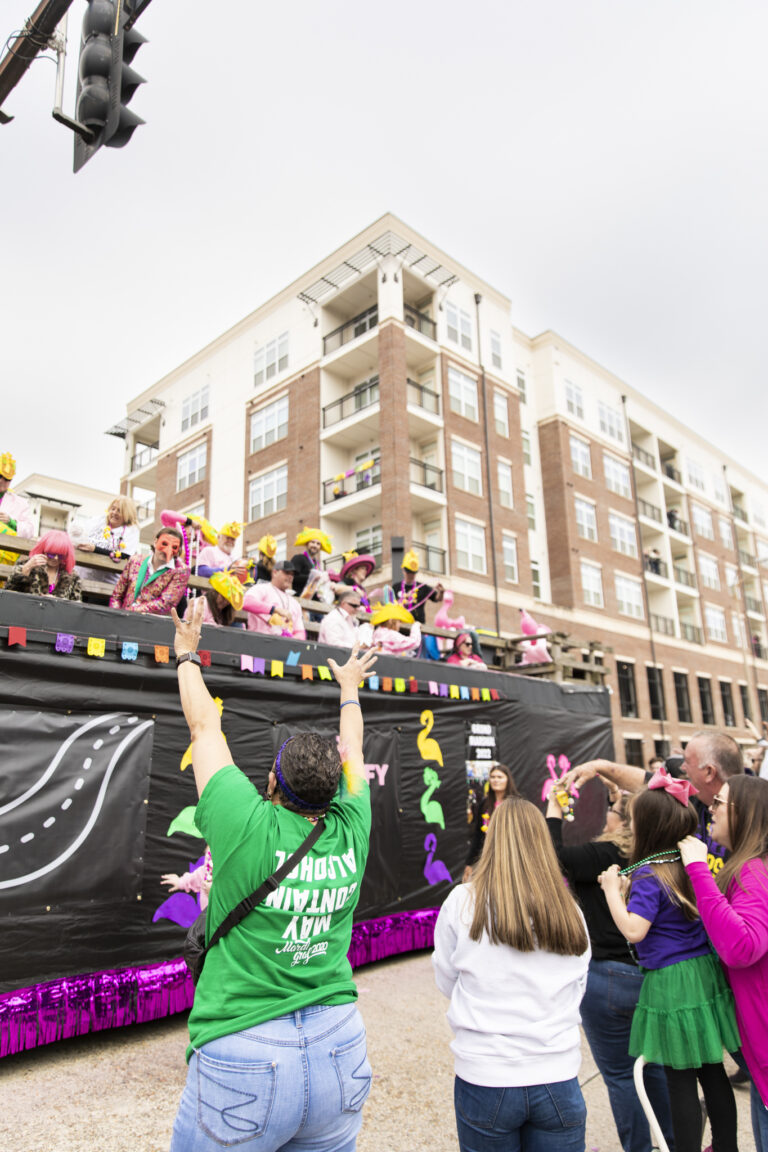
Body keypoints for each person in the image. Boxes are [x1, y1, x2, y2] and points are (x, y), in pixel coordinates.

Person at [168, 599, 378, 1152]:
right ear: (337, 790)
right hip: (340, 1042)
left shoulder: (243, 821)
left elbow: (203, 724)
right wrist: (350, 688)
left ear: (271, 781)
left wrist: (187, 654)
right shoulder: (353, 820)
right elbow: (353, 745)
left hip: (244, 1047)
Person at [433, 797, 590, 1152]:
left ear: (492, 840)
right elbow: (578, 985)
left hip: (487, 1075)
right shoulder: (571, 911)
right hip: (557, 1076)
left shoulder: (462, 902)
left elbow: (445, 978)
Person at [598, 772, 740, 1152]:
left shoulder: (647, 873)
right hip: (703, 974)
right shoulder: (687, 862)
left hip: (673, 983)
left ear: (647, 826)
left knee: (680, 1079)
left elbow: (634, 931)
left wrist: (613, 892)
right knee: (713, 1073)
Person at [546, 786, 674, 1152]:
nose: (607, 813)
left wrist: (554, 810)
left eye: (613, 807)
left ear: (624, 820)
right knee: (656, 1067)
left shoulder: (606, 853)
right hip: (647, 974)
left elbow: (552, 859)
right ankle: (673, 1143)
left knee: (621, 1075)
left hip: (609, 976)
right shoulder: (654, 854)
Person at [679, 775, 768, 1152]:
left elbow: (742, 946)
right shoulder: (749, 866)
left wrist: (698, 870)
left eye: (718, 802)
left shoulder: (754, 871)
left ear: (745, 813)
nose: (709, 810)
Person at [563, 731, 745, 877]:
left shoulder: (753, 812)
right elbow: (646, 781)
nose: (682, 768)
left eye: (687, 762)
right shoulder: (694, 798)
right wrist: (600, 767)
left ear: (709, 772)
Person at [109, 527, 189, 615]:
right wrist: (115, 614)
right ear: (155, 542)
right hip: (123, 618)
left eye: (174, 547)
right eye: (164, 543)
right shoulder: (135, 560)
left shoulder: (181, 570)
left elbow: (165, 604)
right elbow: (117, 595)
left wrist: (130, 611)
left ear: (178, 551)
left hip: (153, 622)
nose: (167, 550)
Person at [463, 764, 518, 879]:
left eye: (499, 777)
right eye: (492, 777)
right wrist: (470, 863)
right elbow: (478, 835)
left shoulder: (516, 803)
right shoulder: (485, 803)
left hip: (511, 855)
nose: (495, 780)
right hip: (488, 855)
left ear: (508, 779)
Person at [73, 496, 140, 585]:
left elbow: (125, 555)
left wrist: (95, 549)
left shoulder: (131, 530)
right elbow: (80, 535)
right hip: (80, 577)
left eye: (119, 511)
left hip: (104, 584)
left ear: (127, 514)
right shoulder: (98, 521)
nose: (114, 513)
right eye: (113, 509)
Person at [7, 530, 81, 600]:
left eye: (61, 555)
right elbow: (9, 593)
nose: (56, 558)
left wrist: (57, 602)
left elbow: (76, 606)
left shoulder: (71, 576)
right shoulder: (30, 566)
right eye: (51, 554)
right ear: (43, 550)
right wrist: (26, 569)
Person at [242, 560, 306, 639]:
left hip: (284, 647)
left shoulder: (295, 603)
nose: (290, 577)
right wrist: (274, 610)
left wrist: (292, 640)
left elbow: (300, 632)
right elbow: (246, 602)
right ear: (275, 572)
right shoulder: (262, 588)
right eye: (286, 573)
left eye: (292, 574)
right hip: (259, 642)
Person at [391, 549, 444, 625]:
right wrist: (404, 598)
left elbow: (437, 598)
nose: (411, 575)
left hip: (418, 626)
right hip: (400, 625)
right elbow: (391, 605)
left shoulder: (422, 587)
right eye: (408, 572)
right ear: (403, 570)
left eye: (413, 573)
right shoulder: (396, 587)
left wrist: (441, 592)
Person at [162, 845, 213, 911]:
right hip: (207, 915)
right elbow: (201, 874)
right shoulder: (208, 866)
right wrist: (181, 882)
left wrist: (214, 892)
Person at [0, 451, 34, 539]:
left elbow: (29, 532)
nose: (1, 481)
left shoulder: (21, 503)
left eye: (6, 479)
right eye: (0, 476)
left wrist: (11, 522)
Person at [290, 527, 333, 596]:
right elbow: (292, 577)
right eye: (312, 542)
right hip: (300, 597)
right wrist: (313, 578)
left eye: (318, 544)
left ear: (320, 547)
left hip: (314, 599)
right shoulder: (299, 558)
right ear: (307, 544)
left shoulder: (317, 564)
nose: (315, 545)